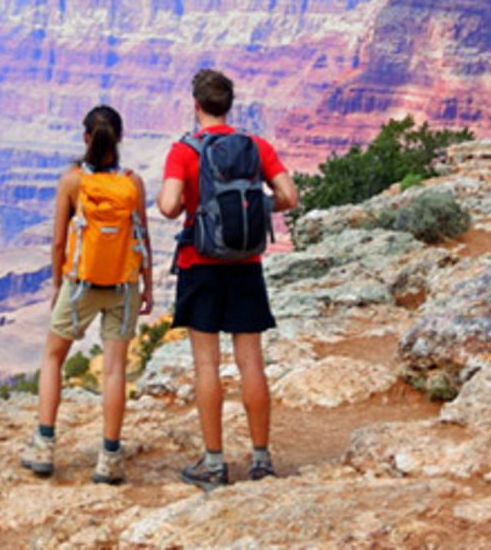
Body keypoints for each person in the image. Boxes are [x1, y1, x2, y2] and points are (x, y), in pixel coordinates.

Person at [157, 69, 298, 490]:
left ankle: (215, 463)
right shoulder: (256, 146)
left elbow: (167, 206)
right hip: (246, 265)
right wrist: (255, 208)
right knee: (251, 361)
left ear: (196, 105)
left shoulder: (184, 150)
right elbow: (290, 197)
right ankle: (260, 458)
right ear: (229, 105)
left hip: (199, 264)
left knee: (207, 364)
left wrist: (192, 202)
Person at [21, 105, 153, 485]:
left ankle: (44, 445)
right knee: (114, 370)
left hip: (80, 284)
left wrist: (57, 284)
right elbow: (141, 236)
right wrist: (147, 286)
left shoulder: (72, 182)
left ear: (85, 138)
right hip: (123, 285)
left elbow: (60, 239)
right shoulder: (133, 182)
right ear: (121, 138)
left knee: (53, 358)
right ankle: (109, 458)